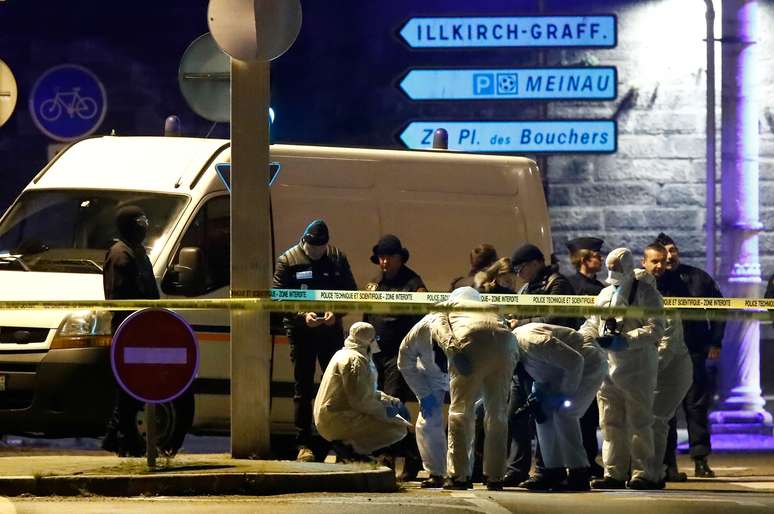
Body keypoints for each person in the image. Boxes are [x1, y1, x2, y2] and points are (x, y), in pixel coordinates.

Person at [273, 219, 358, 462]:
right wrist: (302, 316)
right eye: (313, 247)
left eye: (321, 247)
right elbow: (279, 298)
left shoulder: (336, 258)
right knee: (303, 388)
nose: (317, 252)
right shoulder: (288, 260)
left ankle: (337, 443)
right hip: (302, 334)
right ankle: (304, 443)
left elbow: (351, 293)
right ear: (305, 241)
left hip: (330, 333)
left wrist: (336, 312)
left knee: (335, 388)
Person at [580, 247, 665, 490]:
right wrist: (582, 339)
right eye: (612, 268)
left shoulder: (647, 294)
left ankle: (644, 472)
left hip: (637, 366)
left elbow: (656, 328)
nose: (614, 272)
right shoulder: (605, 294)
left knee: (639, 421)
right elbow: (593, 323)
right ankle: (614, 472)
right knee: (610, 421)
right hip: (607, 366)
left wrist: (627, 339)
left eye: (618, 268)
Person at [431, 287, 518, 491]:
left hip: (470, 342)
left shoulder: (447, 306)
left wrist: (454, 351)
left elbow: (440, 329)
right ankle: (495, 477)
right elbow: (506, 328)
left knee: (461, 411)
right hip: (505, 345)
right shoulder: (492, 307)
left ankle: (459, 475)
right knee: (497, 413)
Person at [504, 243, 574, 487]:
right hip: (525, 359)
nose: (519, 273)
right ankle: (516, 469)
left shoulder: (557, 284)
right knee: (515, 415)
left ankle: (547, 470)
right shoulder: (526, 288)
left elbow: (557, 317)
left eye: (521, 267)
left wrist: (520, 323)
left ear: (536, 262)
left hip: (547, 360)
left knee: (543, 417)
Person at [655, 232, 724, 478]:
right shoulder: (653, 282)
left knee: (696, 406)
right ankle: (667, 463)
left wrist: (715, 342)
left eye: (673, 250)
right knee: (666, 409)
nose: (670, 257)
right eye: (664, 253)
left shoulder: (697, 278)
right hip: (662, 355)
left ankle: (700, 458)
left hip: (694, 350)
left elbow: (718, 310)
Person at [511, 323, 607, 491]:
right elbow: (542, 374)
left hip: (588, 364)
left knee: (566, 414)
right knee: (543, 415)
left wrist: (563, 395)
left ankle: (579, 473)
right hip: (562, 373)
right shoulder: (516, 350)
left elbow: (575, 361)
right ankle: (553, 472)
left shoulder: (531, 342)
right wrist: (537, 397)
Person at [363, 234, 427, 480]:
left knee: (391, 406)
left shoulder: (413, 283)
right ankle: (410, 458)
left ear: (400, 258)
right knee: (384, 407)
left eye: (389, 257)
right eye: (381, 257)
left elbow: (423, 319)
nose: (384, 262)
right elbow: (367, 316)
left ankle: (390, 459)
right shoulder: (374, 283)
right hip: (377, 354)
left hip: (400, 355)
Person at [102, 205, 159, 457]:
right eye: (140, 221)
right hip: (130, 330)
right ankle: (123, 437)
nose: (144, 225)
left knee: (134, 385)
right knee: (129, 386)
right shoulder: (120, 255)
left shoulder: (137, 252)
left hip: (143, 328)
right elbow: (123, 297)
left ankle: (116, 436)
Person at [313, 322, 411, 459]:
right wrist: (387, 414)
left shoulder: (346, 354)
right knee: (397, 429)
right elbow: (360, 401)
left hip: (334, 415)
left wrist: (390, 401)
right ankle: (351, 448)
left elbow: (365, 391)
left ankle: (351, 449)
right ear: (367, 341)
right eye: (374, 339)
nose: (375, 343)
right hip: (336, 419)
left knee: (394, 422)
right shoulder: (355, 360)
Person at [639, 243, 693, 486]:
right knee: (649, 421)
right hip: (648, 368)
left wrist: (641, 373)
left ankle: (653, 472)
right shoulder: (636, 294)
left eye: (662, 261)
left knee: (657, 420)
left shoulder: (669, 294)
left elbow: (666, 347)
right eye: (654, 261)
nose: (660, 266)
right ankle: (647, 470)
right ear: (644, 262)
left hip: (666, 369)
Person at [565, 236, 606, 478]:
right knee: (576, 410)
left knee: (591, 413)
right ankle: (576, 460)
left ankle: (588, 458)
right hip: (575, 353)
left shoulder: (601, 289)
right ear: (584, 258)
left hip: (594, 354)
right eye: (596, 255)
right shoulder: (570, 286)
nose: (600, 259)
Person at [398, 313, 450, 488]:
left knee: (465, 420)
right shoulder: (421, 330)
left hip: (467, 372)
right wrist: (423, 393)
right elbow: (404, 361)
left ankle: (464, 473)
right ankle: (437, 473)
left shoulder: (470, 324)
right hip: (431, 374)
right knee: (427, 423)